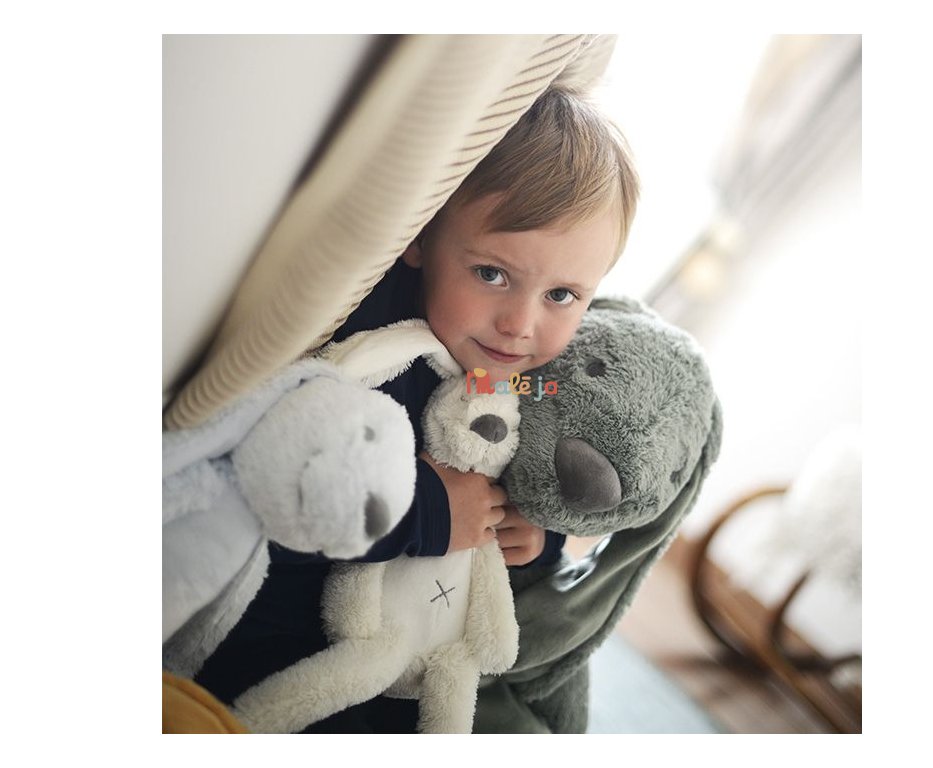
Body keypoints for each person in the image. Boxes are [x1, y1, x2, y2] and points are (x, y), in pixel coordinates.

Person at [195, 84, 640, 732]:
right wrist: (425, 511)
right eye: (491, 274)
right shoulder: (370, 349)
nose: (520, 325)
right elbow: (267, 499)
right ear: (422, 236)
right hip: (276, 653)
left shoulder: (533, 386)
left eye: (563, 295)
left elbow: (529, 497)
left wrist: (536, 539)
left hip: (418, 667)